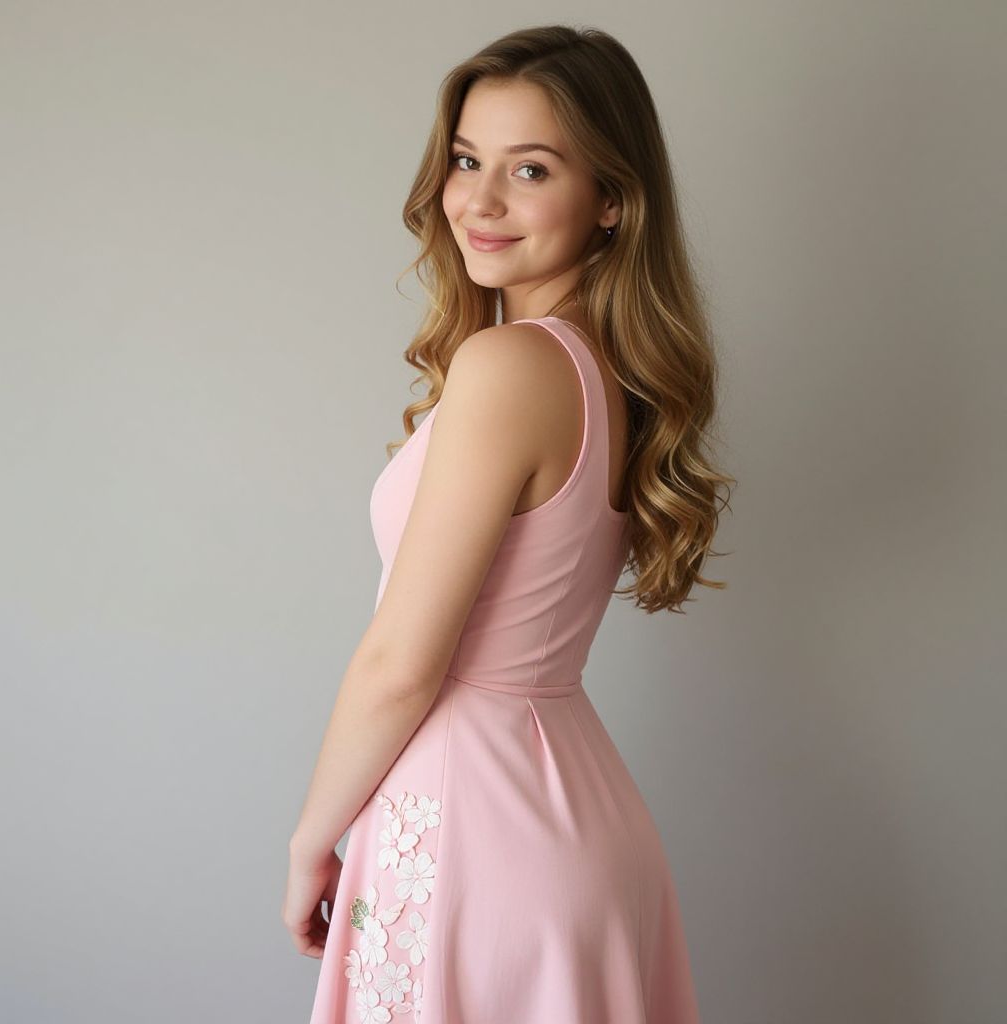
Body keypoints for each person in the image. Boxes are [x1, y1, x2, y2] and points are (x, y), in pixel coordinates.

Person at [281, 23, 733, 1024]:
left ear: (610, 199)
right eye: (465, 160)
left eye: (529, 168)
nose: (478, 199)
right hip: (571, 812)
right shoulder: (606, 375)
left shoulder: (512, 367)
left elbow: (403, 658)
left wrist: (312, 833)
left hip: (472, 832)